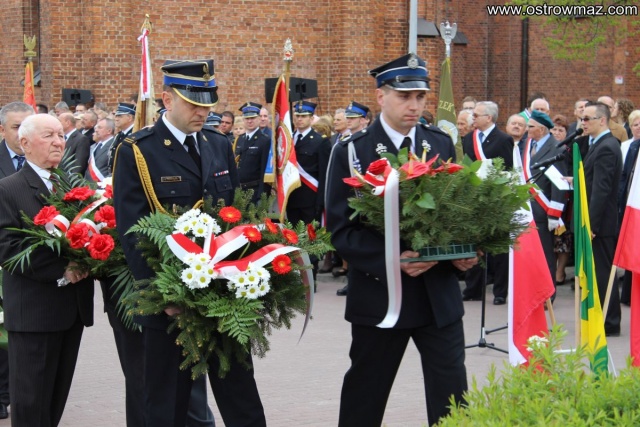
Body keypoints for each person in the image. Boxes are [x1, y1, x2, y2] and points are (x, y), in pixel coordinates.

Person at [325, 53, 477, 427]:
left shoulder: (440, 143)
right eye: (404, 96)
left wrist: (466, 252)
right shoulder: (352, 150)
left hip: (438, 295)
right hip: (382, 296)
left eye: (420, 97)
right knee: (366, 395)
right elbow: (341, 230)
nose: (414, 105)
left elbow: (458, 211)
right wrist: (393, 259)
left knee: (452, 398)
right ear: (381, 96)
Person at [113, 58, 265, 427]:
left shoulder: (218, 143)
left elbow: (234, 213)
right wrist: (163, 296)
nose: (203, 112)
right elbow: (134, 233)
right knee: (167, 405)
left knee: (242, 400)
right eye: (193, 104)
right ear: (167, 100)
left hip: (223, 296)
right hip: (170, 304)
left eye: (207, 104)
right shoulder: (138, 150)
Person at [0, 113, 94, 426]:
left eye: (60, 135)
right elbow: (8, 248)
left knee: (54, 400)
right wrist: (62, 268)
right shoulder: (8, 189)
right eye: (48, 136)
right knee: (31, 403)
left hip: (72, 311)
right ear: (25, 143)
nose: (58, 142)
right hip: (34, 313)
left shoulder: (72, 185)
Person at [0, 101, 35, 420]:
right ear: (2, 130)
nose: (22, 134)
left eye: (27, 126)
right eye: (15, 127)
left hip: (29, 264)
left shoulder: (47, 163)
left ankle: (8, 390)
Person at [461, 101, 513, 305]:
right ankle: (473, 288)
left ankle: (500, 291)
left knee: (499, 248)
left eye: (476, 115)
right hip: (475, 198)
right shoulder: (469, 139)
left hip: (496, 198)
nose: (472, 118)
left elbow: (508, 170)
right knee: (475, 244)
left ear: (489, 118)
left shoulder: (503, 139)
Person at [581, 101, 622, 336]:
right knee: (598, 271)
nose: (583, 123)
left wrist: (592, 225)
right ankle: (603, 317)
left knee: (603, 273)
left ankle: (610, 321)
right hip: (598, 221)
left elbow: (601, 190)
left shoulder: (606, 146)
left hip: (601, 223)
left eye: (588, 118)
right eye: (582, 118)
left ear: (602, 120)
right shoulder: (599, 144)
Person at [519, 111, 567, 299]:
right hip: (525, 209)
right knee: (528, 254)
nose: (527, 129)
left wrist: (554, 214)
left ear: (542, 129)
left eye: (530, 126)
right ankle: (531, 292)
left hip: (543, 210)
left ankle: (548, 294)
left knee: (545, 255)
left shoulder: (556, 148)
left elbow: (559, 184)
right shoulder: (526, 145)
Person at [617, 109, 640, 306]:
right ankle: (629, 295)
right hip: (633, 203)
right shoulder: (632, 147)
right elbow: (625, 176)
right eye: (636, 124)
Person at [550, 114, 573, 286]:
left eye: (561, 130)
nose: (557, 133)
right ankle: (551, 269)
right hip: (548, 196)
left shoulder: (569, 150)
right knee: (552, 237)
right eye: (554, 129)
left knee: (563, 237)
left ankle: (560, 270)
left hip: (566, 198)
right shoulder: (547, 149)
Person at [234, 102, 271, 204]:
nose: (249, 121)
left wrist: (261, 196)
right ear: (243, 120)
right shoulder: (240, 139)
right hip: (239, 191)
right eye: (247, 118)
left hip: (255, 191)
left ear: (259, 118)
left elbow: (265, 170)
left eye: (253, 118)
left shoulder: (265, 140)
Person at [107, 102, 136, 172]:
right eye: (116, 116)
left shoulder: (135, 134)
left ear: (129, 118)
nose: (116, 119)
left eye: (120, 116)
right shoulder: (119, 135)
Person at [85, 117, 115, 182]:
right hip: (89, 184)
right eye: (96, 127)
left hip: (102, 184)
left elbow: (113, 169)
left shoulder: (114, 146)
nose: (96, 130)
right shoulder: (98, 145)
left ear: (109, 131)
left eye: (100, 127)